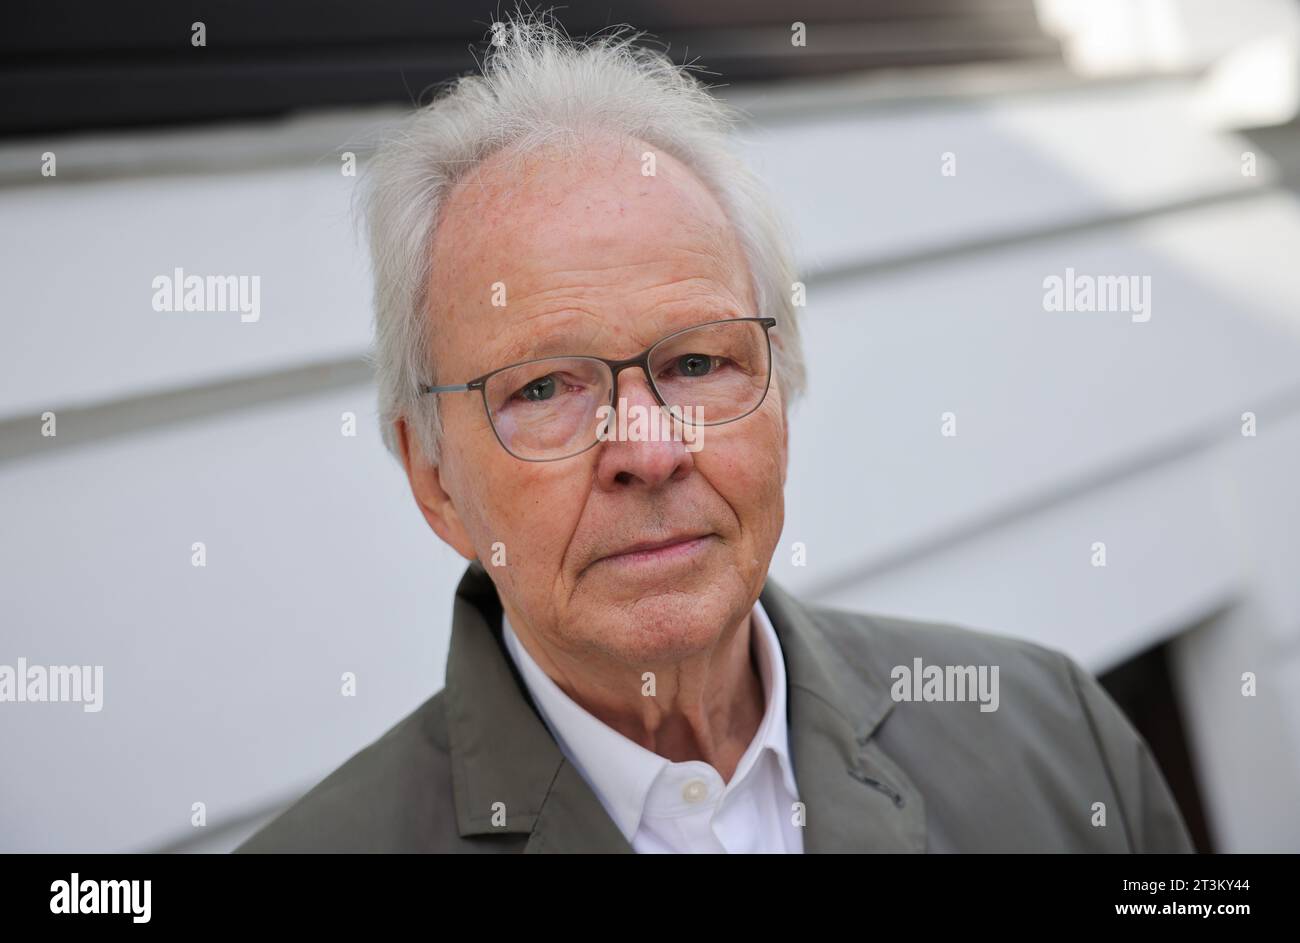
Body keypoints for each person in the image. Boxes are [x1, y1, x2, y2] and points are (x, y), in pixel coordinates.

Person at [238, 13, 1194, 854]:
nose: (650, 450)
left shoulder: (1056, 736)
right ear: (434, 481)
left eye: (698, 363)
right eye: (543, 387)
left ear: (782, 388)